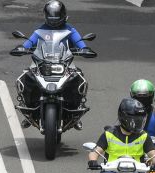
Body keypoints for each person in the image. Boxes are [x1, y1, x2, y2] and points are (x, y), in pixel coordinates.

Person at [10, 0, 96, 129]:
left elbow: (80, 43)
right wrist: (22, 48)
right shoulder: (40, 30)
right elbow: (28, 43)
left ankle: (76, 113)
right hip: (41, 62)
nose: (54, 21)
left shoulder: (70, 30)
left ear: (63, 16)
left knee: (79, 78)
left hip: (64, 63)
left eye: (56, 18)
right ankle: (29, 111)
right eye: (51, 18)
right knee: (26, 77)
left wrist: (85, 49)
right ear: (46, 17)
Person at [129, 79, 155, 147]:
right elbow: (119, 128)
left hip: (154, 148)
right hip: (132, 147)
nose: (142, 101)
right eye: (139, 98)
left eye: (145, 98)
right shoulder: (128, 111)